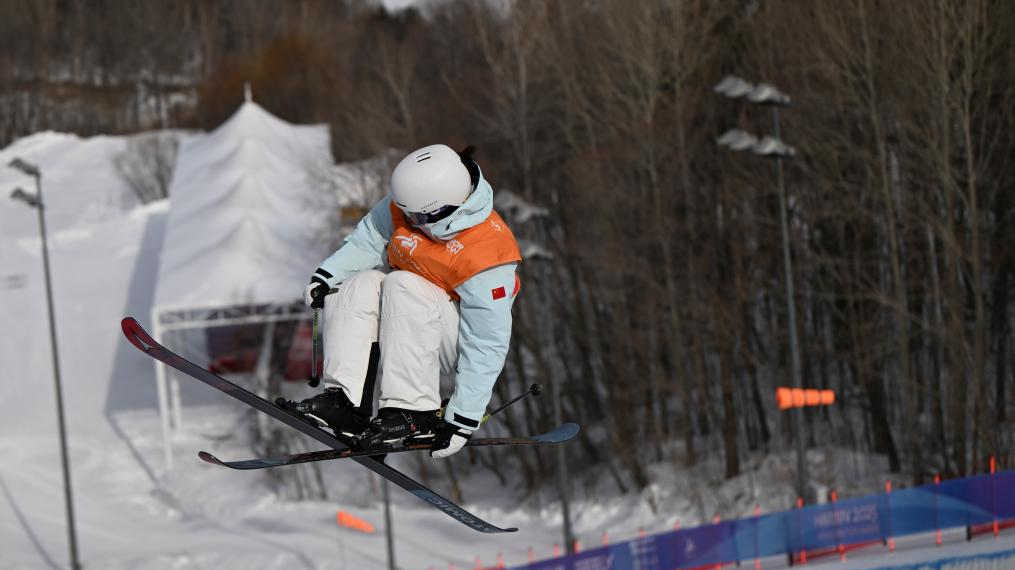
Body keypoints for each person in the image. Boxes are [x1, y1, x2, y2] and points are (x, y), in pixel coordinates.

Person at [280, 144, 521, 458]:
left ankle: (412, 412)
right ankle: (346, 403)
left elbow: (487, 342)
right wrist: (328, 275)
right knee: (358, 283)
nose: (412, 222)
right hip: (410, 319)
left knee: (402, 283)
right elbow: (371, 238)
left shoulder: (488, 256)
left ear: (449, 206)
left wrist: (463, 418)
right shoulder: (412, 204)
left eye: (420, 216)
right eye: (407, 212)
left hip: (456, 340)